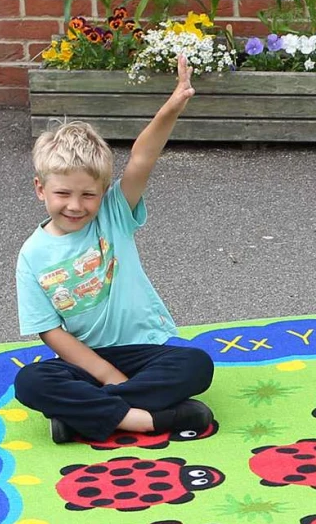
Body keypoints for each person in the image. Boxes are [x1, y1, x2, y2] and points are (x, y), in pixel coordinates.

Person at [13, 54, 215, 443]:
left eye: (88, 195)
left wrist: (173, 106)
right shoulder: (31, 256)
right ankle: (148, 419)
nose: (75, 205)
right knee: (31, 381)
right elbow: (51, 333)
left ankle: (82, 417)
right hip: (86, 361)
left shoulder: (114, 213)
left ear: (104, 191)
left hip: (145, 351)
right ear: (41, 189)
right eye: (62, 193)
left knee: (196, 364)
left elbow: (142, 157)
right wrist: (108, 376)